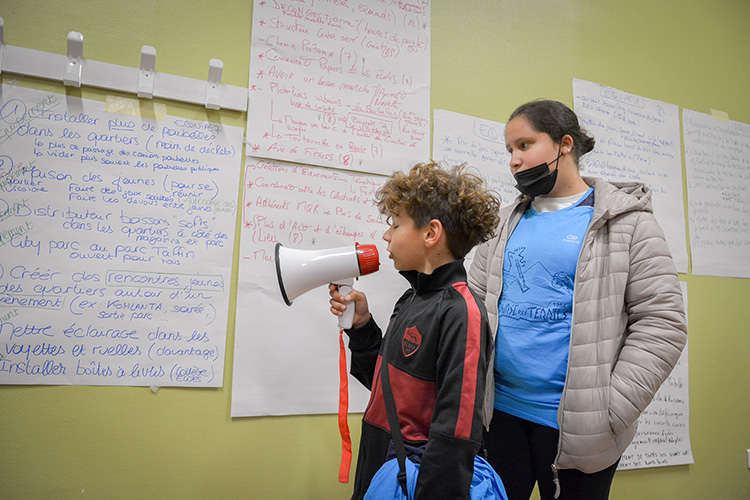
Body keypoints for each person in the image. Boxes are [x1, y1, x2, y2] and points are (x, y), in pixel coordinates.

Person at [467, 99, 688, 500]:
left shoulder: (629, 223)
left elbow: (663, 324)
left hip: (581, 427)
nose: (514, 160)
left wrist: (611, 410)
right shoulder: (501, 224)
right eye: (509, 150)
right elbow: (476, 305)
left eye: (524, 145)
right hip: (499, 417)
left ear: (564, 144)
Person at [329, 161, 501, 500]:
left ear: (431, 233)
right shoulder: (410, 299)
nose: (386, 235)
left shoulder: (461, 311)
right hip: (382, 467)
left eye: (395, 224)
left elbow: (457, 429)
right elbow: (386, 387)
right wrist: (362, 328)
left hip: (416, 481)